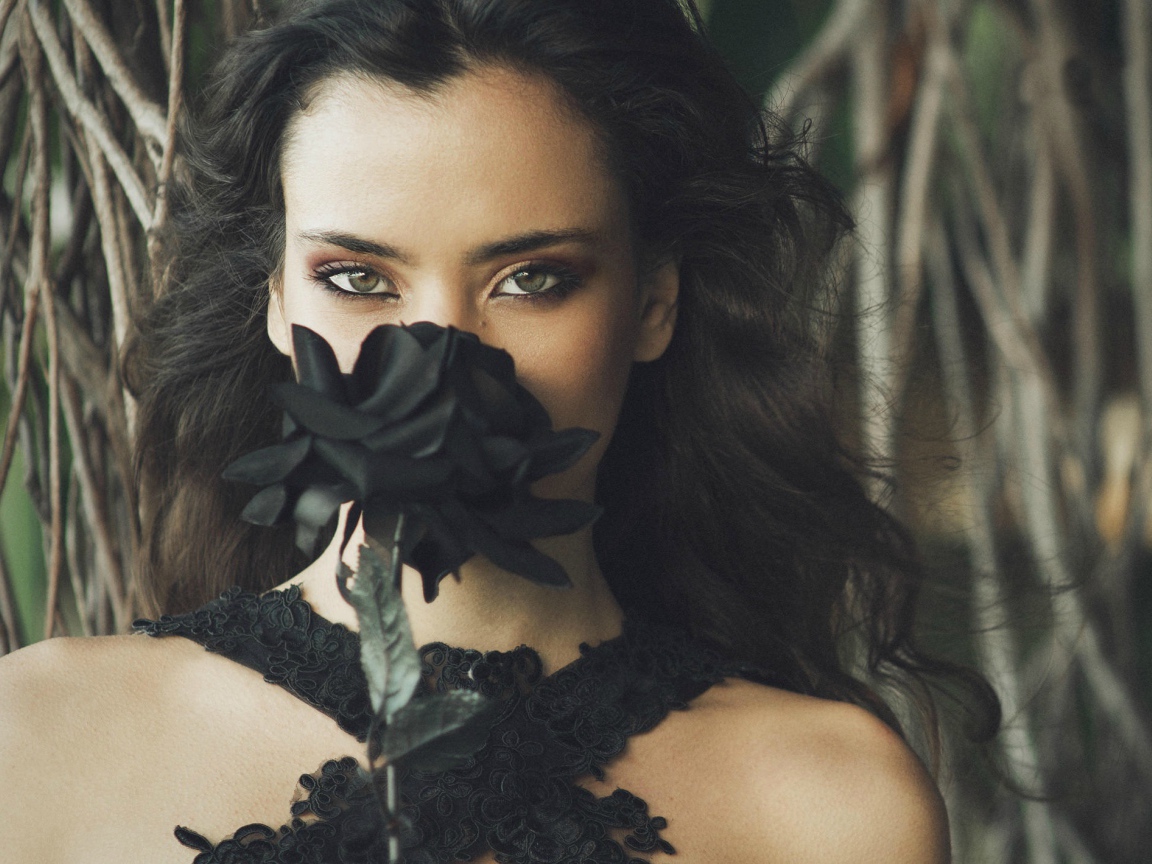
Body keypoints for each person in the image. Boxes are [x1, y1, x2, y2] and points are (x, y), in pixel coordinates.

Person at [0, 0, 999, 861]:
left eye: (533, 280)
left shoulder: (835, 806)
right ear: (274, 301)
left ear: (654, 302)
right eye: (358, 280)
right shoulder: (37, 741)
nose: (441, 355)